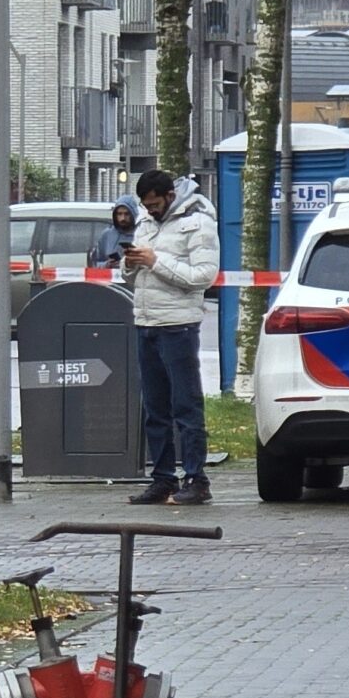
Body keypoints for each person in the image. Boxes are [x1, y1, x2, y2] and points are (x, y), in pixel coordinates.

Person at [122, 169, 219, 505]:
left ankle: (196, 479)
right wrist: (131, 262)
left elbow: (204, 276)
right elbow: (133, 277)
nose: (151, 211)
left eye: (155, 204)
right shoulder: (146, 223)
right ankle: (162, 479)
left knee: (185, 405)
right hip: (146, 321)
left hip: (178, 325)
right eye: (146, 206)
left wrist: (155, 260)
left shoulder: (198, 223)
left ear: (170, 196)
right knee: (155, 408)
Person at [89, 196, 139, 270]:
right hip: (111, 279)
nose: (123, 218)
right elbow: (95, 262)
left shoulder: (142, 233)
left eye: (126, 214)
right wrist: (106, 265)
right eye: (119, 214)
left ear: (133, 214)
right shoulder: (107, 235)